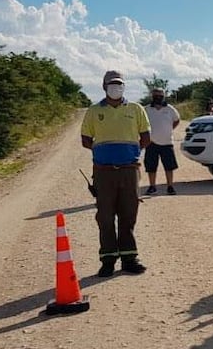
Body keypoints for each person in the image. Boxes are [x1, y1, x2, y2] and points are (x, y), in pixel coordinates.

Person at [81, 70, 151, 277]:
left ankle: (130, 258)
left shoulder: (136, 109)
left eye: (119, 84)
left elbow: (146, 137)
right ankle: (108, 260)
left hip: (129, 171)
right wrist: (104, 153)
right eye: (112, 84)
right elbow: (86, 140)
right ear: (104, 87)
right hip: (103, 172)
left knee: (129, 214)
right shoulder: (94, 111)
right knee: (105, 216)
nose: (116, 88)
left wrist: (130, 152)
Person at [144, 88, 181, 195]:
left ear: (164, 96)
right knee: (151, 167)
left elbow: (177, 120)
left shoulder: (170, 109)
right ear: (152, 96)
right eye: (156, 95)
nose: (158, 97)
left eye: (160, 95)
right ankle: (152, 186)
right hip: (151, 142)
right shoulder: (146, 109)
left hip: (167, 142)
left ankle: (170, 186)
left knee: (169, 166)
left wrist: (170, 129)